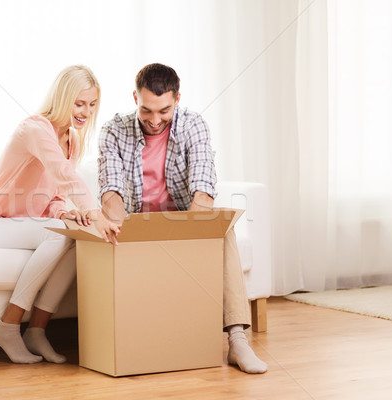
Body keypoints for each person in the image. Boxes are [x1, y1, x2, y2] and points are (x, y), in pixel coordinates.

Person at [98, 63, 268, 374]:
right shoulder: (114, 130)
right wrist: (125, 234)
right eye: (146, 110)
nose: (154, 120)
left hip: (180, 222)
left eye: (163, 111)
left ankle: (237, 340)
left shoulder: (193, 125)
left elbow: (203, 191)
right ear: (134, 98)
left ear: (177, 99)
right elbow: (111, 191)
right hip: (137, 224)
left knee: (224, 230)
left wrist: (191, 244)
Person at [0, 65, 119, 365]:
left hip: (20, 225)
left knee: (76, 237)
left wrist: (71, 214)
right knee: (55, 233)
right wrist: (95, 213)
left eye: (92, 105)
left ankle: (36, 330)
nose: (86, 112)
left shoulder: (72, 140)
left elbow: (54, 197)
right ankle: (8, 326)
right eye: (79, 103)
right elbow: (62, 175)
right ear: (63, 98)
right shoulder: (35, 129)